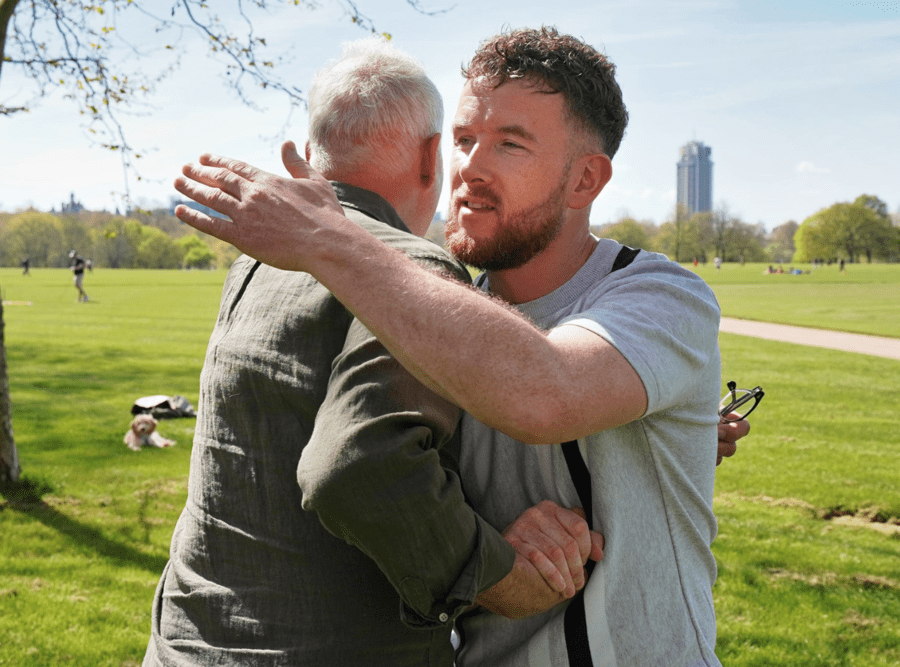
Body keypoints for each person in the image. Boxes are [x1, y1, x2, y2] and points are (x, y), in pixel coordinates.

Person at [173, 27, 751, 666]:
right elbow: (401, 498)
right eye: (464, 139)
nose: (470, 166)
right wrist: (496, 547)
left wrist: (324, 237)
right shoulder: (428, 302)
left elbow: (544, 389)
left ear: (586, 179)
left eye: (511, 143)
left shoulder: (663, 295)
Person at [144, 38, 602, 667]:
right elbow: (360, 467)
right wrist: (505, 578)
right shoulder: (409, 268)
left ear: (310, 156)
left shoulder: (256, 264)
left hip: (184, 642)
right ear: (429, 157)